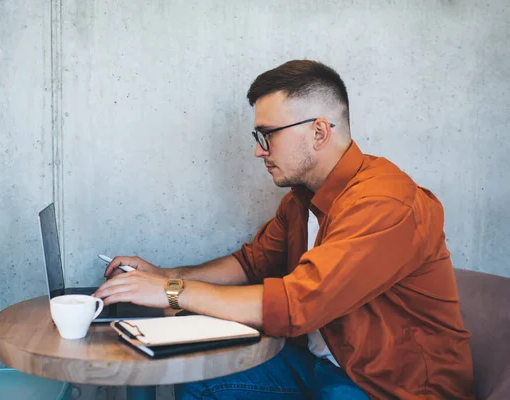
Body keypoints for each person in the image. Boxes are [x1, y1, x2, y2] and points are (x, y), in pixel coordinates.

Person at [93, 60, 475, 399]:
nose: (259, 150)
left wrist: (172, 293)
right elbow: (251, 264)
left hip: (384, 386)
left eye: (267, 134)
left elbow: (294, 304)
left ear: (320, 133)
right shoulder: (302, 199)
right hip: (319, 362)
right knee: (198, 378)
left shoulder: (384, 203)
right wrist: (164, 275)